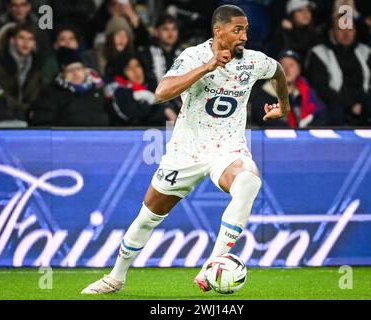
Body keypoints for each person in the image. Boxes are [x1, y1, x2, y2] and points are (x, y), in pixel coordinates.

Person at [81, 4, 290, 294]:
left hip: (228, 149)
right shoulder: (193, 56)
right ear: (219, 31)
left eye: (246, 30)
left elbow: (278, 70)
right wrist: (207, 67)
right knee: (147, 217)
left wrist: (284, 106)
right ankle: (116, 277)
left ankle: (214, 263)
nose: (244, 36)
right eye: (237, 29)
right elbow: (161, 92)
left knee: (248, 181)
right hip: (186, 152)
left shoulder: (253, 62)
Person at [306, 14, 371, 126]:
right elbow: (321, 88)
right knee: (335, 110)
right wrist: (350, 104)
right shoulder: (319, 52)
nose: (346, 33)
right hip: (335, 104)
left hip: (363, 102)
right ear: (332, 31)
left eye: (350, 28)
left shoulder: (364, 50)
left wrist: (362, 103)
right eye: (341, 29)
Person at [30, 48, 109, 127]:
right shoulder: (51, 93)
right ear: (62, 73)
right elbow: (43, 122)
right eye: (70, 70)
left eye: (78, 68)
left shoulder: (97, 90)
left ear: (85, 70)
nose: (75, 73)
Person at [251, 49, 324, 128]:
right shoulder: (263, 94)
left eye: (291, 65)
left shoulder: (307, 92)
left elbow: (322, 116)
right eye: (282, 65)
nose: (286, 69)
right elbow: (264, 120)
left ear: (298, 70)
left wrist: (307, 128)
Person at [104, 53, 178, 126]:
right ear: (122, 73)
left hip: (159, 135)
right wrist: (163, 109)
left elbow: (172, 119)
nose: (135, 71)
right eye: (129, 68)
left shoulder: (153, 87)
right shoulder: (120, 92)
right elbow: (134, 117)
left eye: (137, 66)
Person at [0, 23, 41, 121]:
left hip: (27, 114)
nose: (26, 43)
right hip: (1, 113)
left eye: (30, 39)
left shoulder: (37, 63)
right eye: (21, 38)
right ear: (12, 40)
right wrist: (24, 108)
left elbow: (35, 93)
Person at [139, 14, 183, 88]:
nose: (171, 33)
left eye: (174, 29)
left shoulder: (184, 54)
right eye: (165, 29)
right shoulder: (145, 54)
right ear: (156, 32)